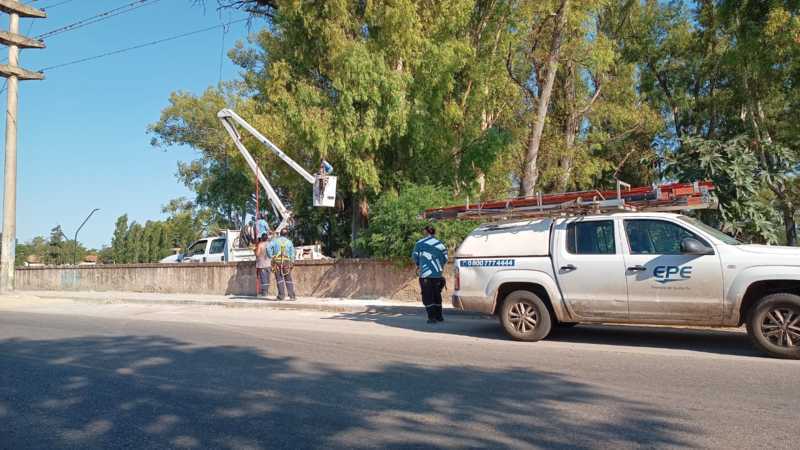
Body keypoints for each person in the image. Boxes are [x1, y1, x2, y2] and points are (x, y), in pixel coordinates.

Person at [412, 225, 448, 324]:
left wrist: (420, 265)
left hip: (425, 275)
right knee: (437, 295)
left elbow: (415, 257)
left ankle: (431, 318)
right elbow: (445, 259)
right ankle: (439, 316)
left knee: (428, 296)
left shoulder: (419, 243)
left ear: (425, 232)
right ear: (434, 233)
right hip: (438, 275)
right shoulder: (440, 244)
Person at [268, 228, 297, 301]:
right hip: (286, 262)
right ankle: (292, 296)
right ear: (287, 235)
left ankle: (281, 296)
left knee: (279, 279)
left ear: (280, 234)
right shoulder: (289, 242)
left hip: (277, 262)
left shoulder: (275, 241)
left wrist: (271, 256)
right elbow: (292, 253)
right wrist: (292, 262)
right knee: (288, 278)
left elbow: (268, 248)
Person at [255, 233, 271, 298]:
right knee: (267, 278)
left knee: (263, 278)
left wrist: (254, 251)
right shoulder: (270, 244)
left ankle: (264, 293)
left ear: (261, 238)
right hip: (269, 263)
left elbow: (257, 254)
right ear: (267, 238)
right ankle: (266, 291)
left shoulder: (260, 245)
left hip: (262, 264)